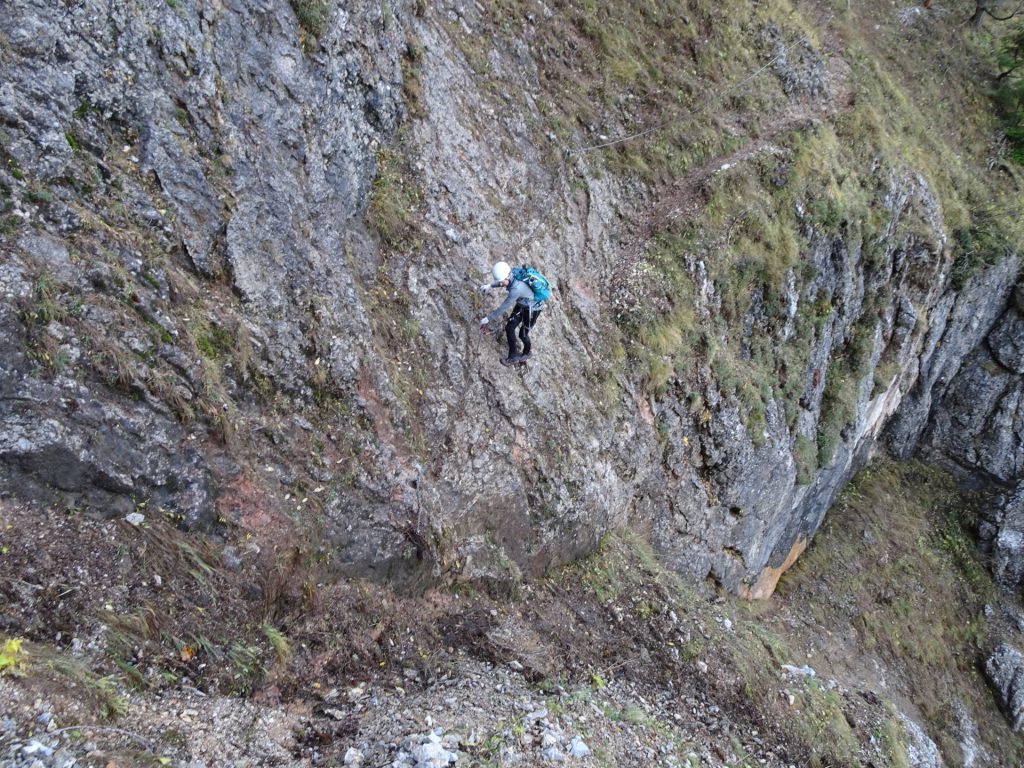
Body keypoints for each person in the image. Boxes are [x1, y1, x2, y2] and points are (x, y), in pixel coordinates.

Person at [478, 261, 547, 366]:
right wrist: (490, 286)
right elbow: (502, 281)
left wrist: (488, 318)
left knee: (523, 334)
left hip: (533, 309)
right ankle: (513, 356)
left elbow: (504, 307)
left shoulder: (516, 289)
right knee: (510, 328)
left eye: (501, 281)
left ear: (507, 277)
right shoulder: (511, 274)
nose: (500, 283)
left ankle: (527, 352)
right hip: (523, 304)